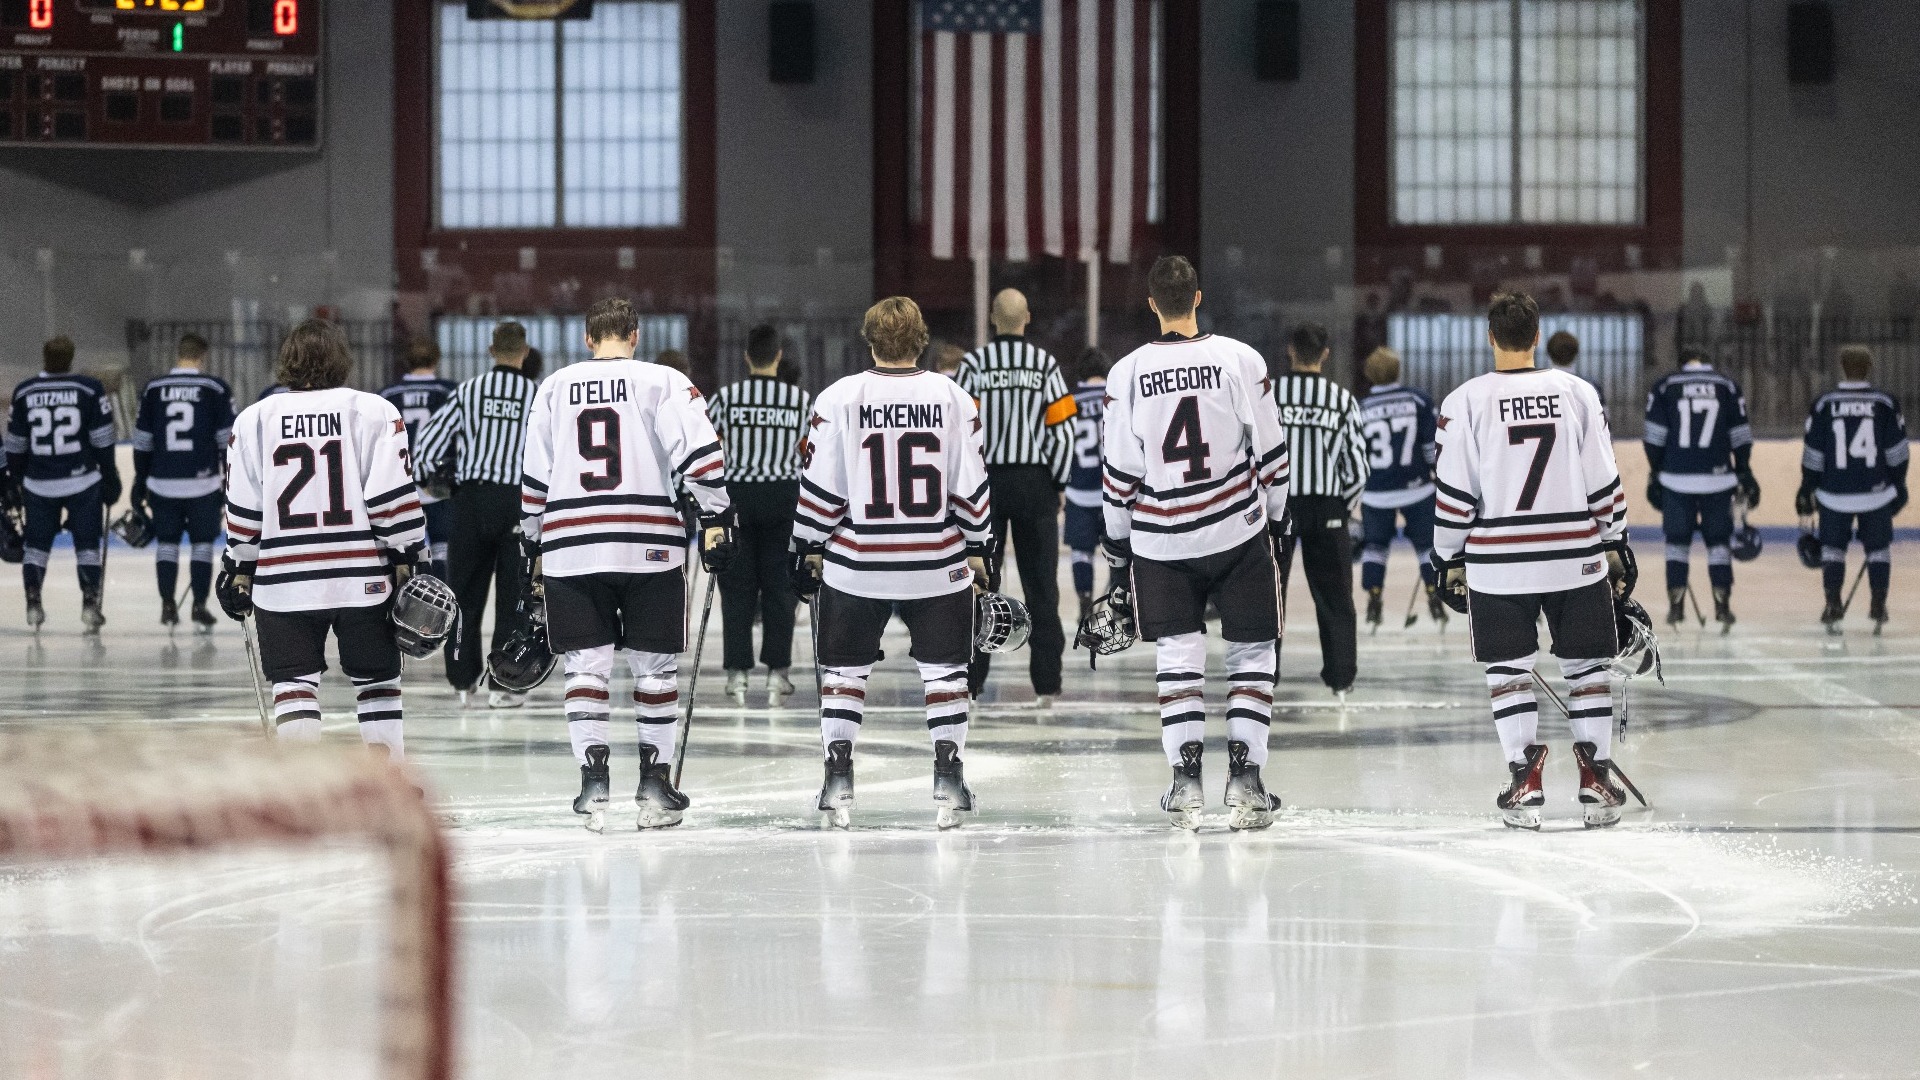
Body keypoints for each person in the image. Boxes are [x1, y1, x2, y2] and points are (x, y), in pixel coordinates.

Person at [521, 298, 733, 831]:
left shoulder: (553, 387)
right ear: (635, 336)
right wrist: (717, 515)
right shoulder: (663, 380)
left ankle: (593, 784)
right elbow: (703, 458)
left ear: (589, 339)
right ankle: (655, 787)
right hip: (649, 545)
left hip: (571, 543)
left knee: (585, 668)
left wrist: (532, 542)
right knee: (655, 671)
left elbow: (533, 480)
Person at [1101, 255, 1291, 831]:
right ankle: (1247, 779)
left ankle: (1186, 782)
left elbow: (1120, 472)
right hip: (1237, 531)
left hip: (1161, 540)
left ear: (1153, 304)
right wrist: (1276, 521)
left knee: (1178, 657)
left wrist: (1115, 547)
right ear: (1199, 298)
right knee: (1253, 654)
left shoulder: (1126, 372)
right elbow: (1273, 452)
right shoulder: (1240, 358)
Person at [1430, 291, 1632, 830]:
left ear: (1490, 337)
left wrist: (1447, 556)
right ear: (1538, 336)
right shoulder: (1578, 393)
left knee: (1509, 674)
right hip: (1575, 556)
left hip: (1499, 562)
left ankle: (1525, 779)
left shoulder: (1464, 401)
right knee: (1588, 669)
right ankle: (1596, 778)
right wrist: (1615, 540)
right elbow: (1603, 477)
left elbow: (1454, 492)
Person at [790, 296, 992, 829]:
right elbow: (970, 486)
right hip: (936, 560)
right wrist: (979, 545)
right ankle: (948, 773)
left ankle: (838, 773)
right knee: (945, 671)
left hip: (858, 561)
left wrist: (806, 544)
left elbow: (822, 486)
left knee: (845, 670)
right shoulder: (954, 398)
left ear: (869, 339)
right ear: (920, 338)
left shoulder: (838, 398)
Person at [216, 320, 424, 760]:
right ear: (341, 360)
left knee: (294, 685)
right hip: (362, 576)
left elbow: (243, 508)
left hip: (283, 579)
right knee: (378, 681)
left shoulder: (253, 419)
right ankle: (387, 785)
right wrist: (410, 556)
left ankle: (304, 787)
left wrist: (238, 564)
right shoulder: (372, 411)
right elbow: (393, 499)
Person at [954, 288, 1075, 706]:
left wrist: (964, 488)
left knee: (980, 584)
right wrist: (1058, 483)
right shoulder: (1044, 365)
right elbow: (1063, 431)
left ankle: (971, 683)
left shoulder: (972, 365)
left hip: (985, 487)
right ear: (1028, 318)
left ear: (991, 318)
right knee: (1042, 586)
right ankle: (1046, 684)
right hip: (1035, 484)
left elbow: (960, 433)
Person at [415, 322, 539, 706]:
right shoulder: (536, 395)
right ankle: (505, 684)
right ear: (524, 353)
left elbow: (427, 447)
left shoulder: (468, 391)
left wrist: (439, 484)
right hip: (517, 503)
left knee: (464, 595)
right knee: (512, 599)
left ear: (490, 350)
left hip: (470, 502)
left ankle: (463, 680)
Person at [709, 323, 812, 707]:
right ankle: (777, 675)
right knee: (779, 589)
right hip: (784, 498)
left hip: (738, 497)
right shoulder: (800, 401)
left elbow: (708, 448)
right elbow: (811, 455)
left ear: (746, 356)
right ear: (779, 356)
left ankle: (737, 676)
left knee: (736, 589)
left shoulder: (727, 398)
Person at [1272, 322, 1370, 699]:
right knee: (1335, 598)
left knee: (1270, 595)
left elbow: (1251, 454)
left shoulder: (1271, 396)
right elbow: (1357, 467)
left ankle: (1265, 676)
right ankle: (1341, 678)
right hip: (1328, 506)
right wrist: (1342, 506)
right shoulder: (1341, 399)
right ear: (1325, 354)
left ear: (1290, 351)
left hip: (1279, 507)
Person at [4, 336, 120, 631]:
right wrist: (110, 475)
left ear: (44, 357)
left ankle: (33, 603)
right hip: (83, 481)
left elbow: (15, 444)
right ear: (71, 359)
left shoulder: (25, 391)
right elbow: (103, 439)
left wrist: (16, 479)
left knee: (36, 546)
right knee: (87, 545)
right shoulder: (88, 389)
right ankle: (90, 604)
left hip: (39, 483)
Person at [1643, 348, 1757, 629]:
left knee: (1677, 543)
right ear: (1707, 363)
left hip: (1675, 479)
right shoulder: (1726, 386)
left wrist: (1656, 470)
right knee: (1719, 543)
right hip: (1718, 480)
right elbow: (1740, 435)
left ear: (1682, 364)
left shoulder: (1665, 386)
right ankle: (1722, 606)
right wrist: (1744, 469)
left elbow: (1654, 437)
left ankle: (1676, 607)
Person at [1797, 345, 1909, 633]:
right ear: (1869, 368)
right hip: (1876, 494)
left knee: (1833, 550)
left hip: (1834, 494)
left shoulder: (1825, 404)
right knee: (1878, 550)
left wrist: (1807, 487)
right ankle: (1878, 604)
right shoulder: (1884, 403)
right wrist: (1899, 485)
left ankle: (1833, 603)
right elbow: (1897, 452)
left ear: (1842, 367)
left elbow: (1813, 454)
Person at [131, 332, 235, 630]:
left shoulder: (153, 388)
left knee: (167, 544)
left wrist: (141, 479)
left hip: (162, 484)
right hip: (202, 485)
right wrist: (228, 481)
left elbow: (142, 440)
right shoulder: (214, 388)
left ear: (178, 353)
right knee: (202, 544)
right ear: (202, 356)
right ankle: (199, 606)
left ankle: (167, 605)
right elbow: (226, 442)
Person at [1355, 347, 1442, 629]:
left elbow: (1356, 453)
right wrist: (1437, 473)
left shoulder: (1361, 407)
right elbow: (1431, 446)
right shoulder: (1418, 399)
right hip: (1418, 488)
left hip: (1376, 492)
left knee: (1375, 546)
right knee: (1427, 546)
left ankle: (1373, 598)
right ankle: (1434, 593)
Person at [380, 338, 459, 581]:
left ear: (406, 361)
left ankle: (407, 604)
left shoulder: (387, 395)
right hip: (439, 484)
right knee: (442, 549)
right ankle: (442, 604)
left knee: (404, 551)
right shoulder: (450, 391)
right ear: (436, 359)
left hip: (399, 485)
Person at [1064, 346, 1110, 624]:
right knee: (1120, 551)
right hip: (1112, 491)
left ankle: (1084, 599)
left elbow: (1059, 444)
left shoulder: (1069, 401)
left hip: (1078, 489)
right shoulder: (1115, 398)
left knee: (1082, 552)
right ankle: (1121, 604)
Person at [1545, 329, 1603, 408]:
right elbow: (1604, 418)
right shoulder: (1590, 386)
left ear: (1549, 353)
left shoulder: (1539, 386)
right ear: (1576, 353)